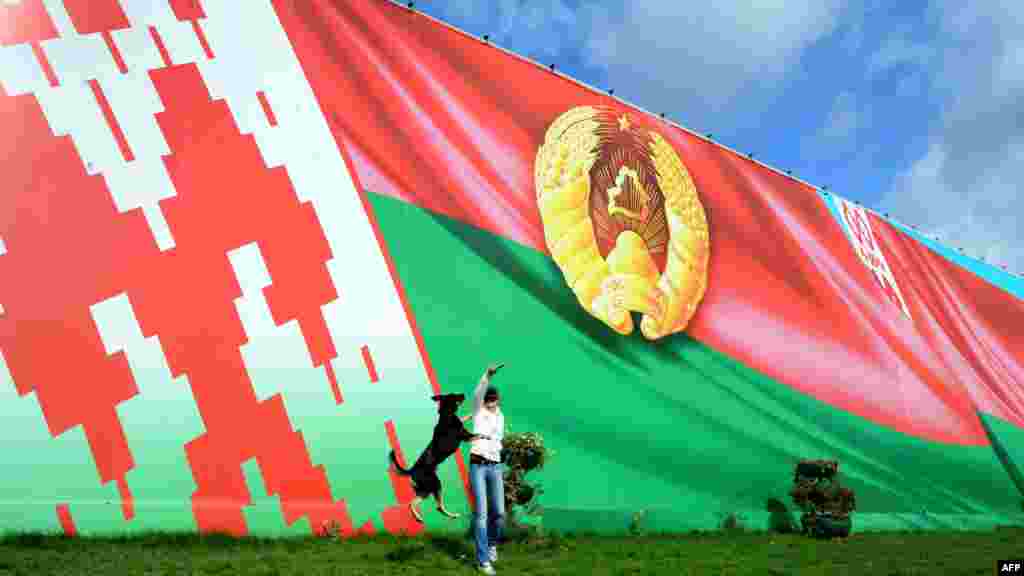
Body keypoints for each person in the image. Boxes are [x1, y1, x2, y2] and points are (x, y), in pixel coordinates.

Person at [466, 362, 506, 574]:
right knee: (481, 513)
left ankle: (492, 545)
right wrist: (487, 375)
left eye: (493, 400)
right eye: (487, 400)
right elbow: (478, 392)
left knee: (499, 512)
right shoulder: (478, 410)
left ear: (498, 400)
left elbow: (498, 440)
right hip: (478, 466)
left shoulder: (500, 416)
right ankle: (483, 561)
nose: (490, 403)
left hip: (495, 466)